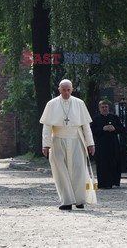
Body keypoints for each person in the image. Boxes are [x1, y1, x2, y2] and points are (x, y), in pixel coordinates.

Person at [41, 79, 95, 210]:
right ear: (59, 89)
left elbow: (86, 126)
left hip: (77, 140)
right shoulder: (51, 104)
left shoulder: (79, 103)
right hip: (58, 140)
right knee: (61, 171)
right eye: (63, 90)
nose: (66, 92)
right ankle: (66, 201)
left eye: (68, 90)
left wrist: (90, 144)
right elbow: (47, 126)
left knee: (79, 170)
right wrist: (46, 145)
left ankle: (80, 200)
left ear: (72, 89)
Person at [91, 100, 124, 189]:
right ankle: (103, 183)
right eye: (102, 107)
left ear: (108, 108)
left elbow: (121, 128)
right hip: (101, 145)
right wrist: (103, 129)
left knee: (115, 162)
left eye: (106, 107)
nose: (104, 109)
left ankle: (115, 181)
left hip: (113, 144)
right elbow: (92, 130)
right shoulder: (95, 119)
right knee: (102, 164)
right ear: (99, 108)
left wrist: (114, 128)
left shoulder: (115, 118)